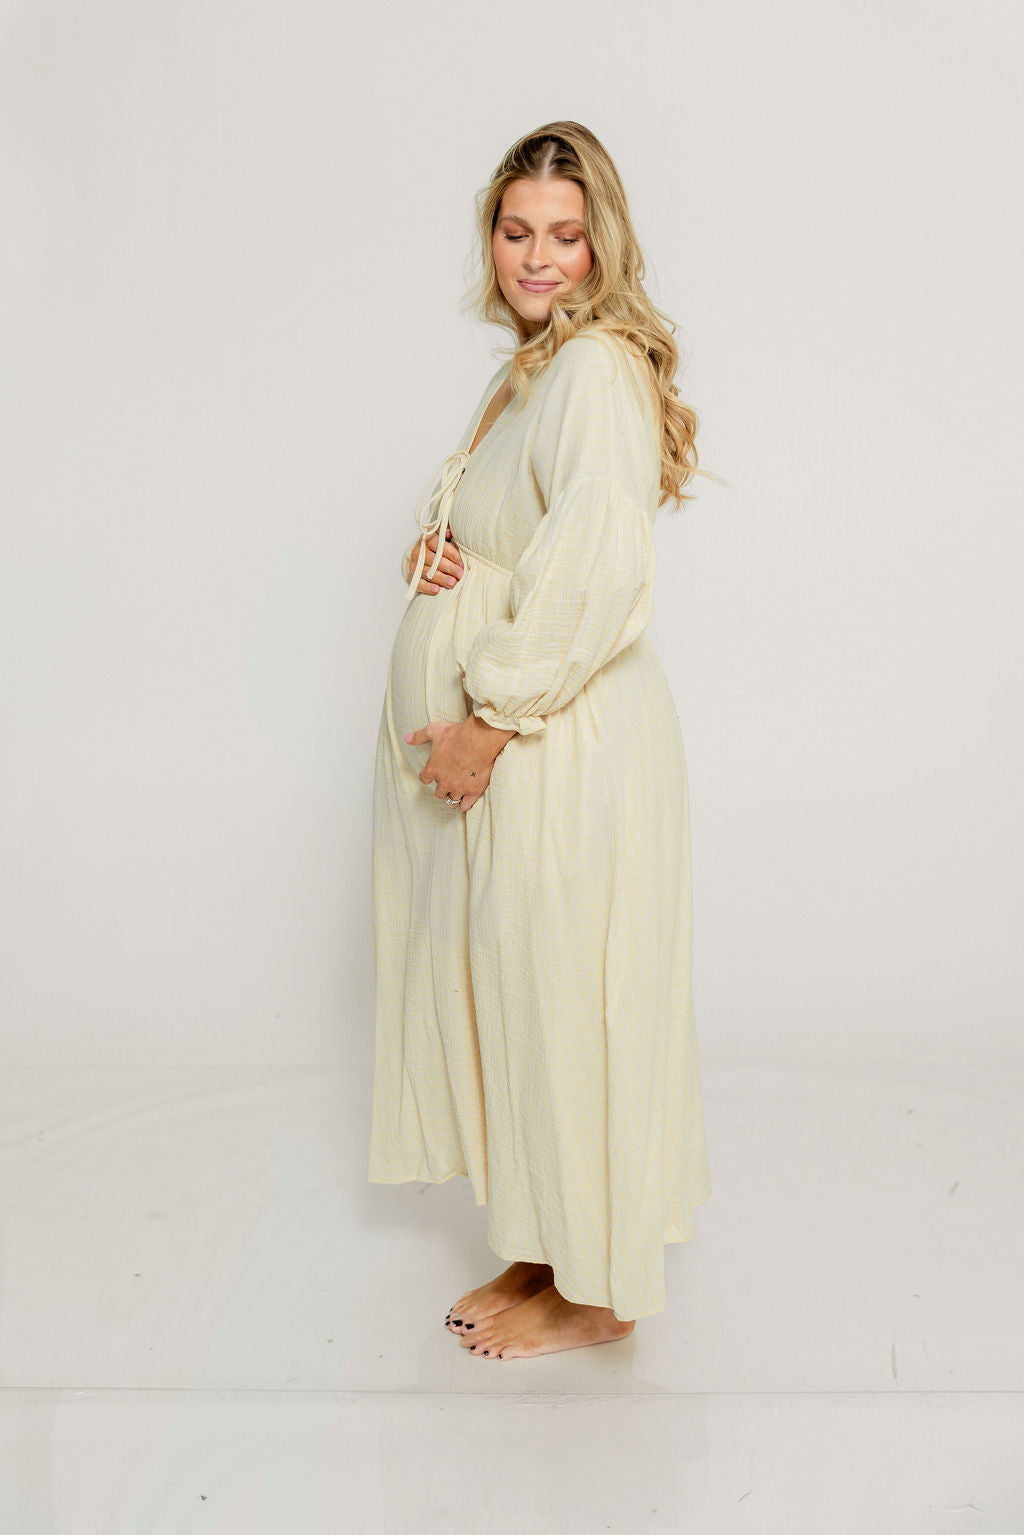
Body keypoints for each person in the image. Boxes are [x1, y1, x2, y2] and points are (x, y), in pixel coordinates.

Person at [369, 121, 712, 1361]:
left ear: (601, 243)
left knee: (573, 997)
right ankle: (547, 1241)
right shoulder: (529, 370)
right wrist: (442, 554)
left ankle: (600, 1290)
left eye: (565, 235)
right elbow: (521, 532)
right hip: (531, 744)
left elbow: (599, 562)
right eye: (517, 230)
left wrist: (489, 719)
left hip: (561, 743)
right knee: (527, 992)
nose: (536, 256)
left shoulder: (595, 369)